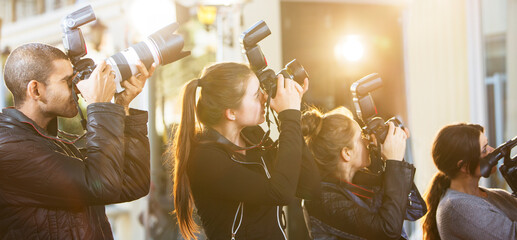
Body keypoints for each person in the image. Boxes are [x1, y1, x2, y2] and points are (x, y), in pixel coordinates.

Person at [0, 43, 155, 239]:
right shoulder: (10, 149)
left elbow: (133, 183)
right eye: (67, 81)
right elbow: (102, 186)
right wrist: (99, 106)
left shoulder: (56, 143)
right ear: (36, 90)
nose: (79, 88)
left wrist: (122, 105)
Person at [170, 62, 320, 240]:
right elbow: (281, 192)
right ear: (231, 113)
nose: (265, 97)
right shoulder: (206, 158)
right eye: (256, 94)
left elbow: (309, 185)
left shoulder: (252, 136)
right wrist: (289, 115)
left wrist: (287, 118)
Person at [301, 107, 426, 240]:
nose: (367, 141)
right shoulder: (321, 200)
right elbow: (387, 231)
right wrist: (394, 163)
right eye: (360, 138)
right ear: (346, 153)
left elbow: (415, 209)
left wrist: (392, 158)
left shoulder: (359, 179)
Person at [422, 123, 517, 240]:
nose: (492, 151)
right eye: (484, 150)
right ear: (464, 166)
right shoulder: (456, 208)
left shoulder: (496, 196)